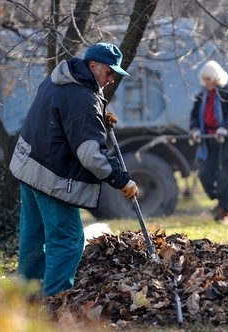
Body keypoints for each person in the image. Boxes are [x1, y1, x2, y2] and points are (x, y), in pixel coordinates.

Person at [9, 42, 139, 297]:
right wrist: (123, 181)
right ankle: (56, 304)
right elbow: (91, 154)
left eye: (115, 74)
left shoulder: (59, 78)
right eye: (109, 73)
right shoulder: (82, 98)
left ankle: (27, 300)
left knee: (33, 240)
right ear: (92, 66)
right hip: (52, 177)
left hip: (28, 168)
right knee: (67, 241)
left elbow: (63, 120)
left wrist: (98, 115)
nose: (111, 79)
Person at [189, 60, 228, 224]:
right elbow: (194, 116)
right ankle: (221, 201)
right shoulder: (202, 95)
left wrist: (225, 127)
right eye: (205, 79)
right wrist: (194, 129)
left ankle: (225, 211)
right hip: (209, 141)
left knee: (227, 178)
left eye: (210, 78)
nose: (207, 82)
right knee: (204, 174)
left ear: (217, 77)